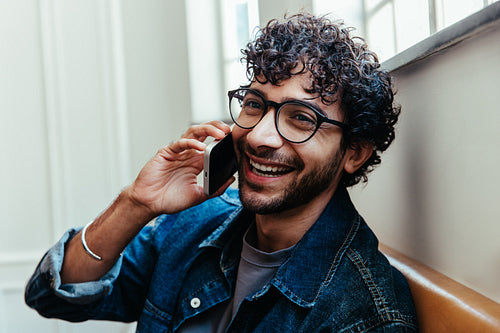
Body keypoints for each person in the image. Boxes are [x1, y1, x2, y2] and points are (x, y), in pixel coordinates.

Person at [25, 13, 417, 332]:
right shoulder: (195, 223)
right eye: (253, 104)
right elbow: (53, 295)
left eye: (301, 118)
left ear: (354, 153)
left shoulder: (365, 316)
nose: (260, 136)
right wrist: (137, 203)